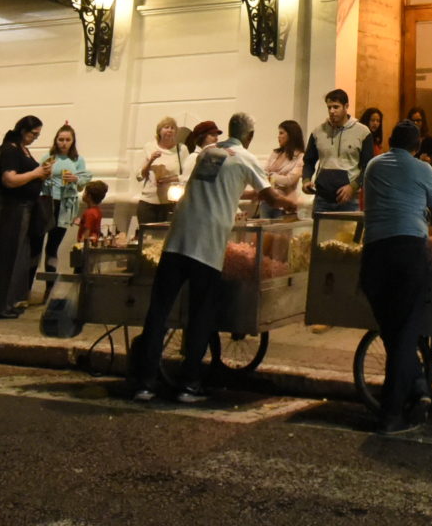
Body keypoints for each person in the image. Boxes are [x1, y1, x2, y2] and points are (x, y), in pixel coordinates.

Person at [128, 113, 290, 403]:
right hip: (207, 245)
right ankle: (189, 385)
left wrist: (244, 194)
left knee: (158, 312)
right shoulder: (245, 157)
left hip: (177, 239)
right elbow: (272, 197)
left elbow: (215, 186)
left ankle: (145, 384)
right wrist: (295, 203)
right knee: (201, 313)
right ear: (249, 136)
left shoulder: (207, 153)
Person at [360, 121, 432, 434]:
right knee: (404, 333)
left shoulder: (373, 165)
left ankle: (420, 389)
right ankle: (391, 414)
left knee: (393, 331)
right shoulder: (423, 169)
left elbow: (366, 203)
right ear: (417, 146)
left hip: (372, 255)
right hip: (407, 253)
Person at [0, 116, 51, 320]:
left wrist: (40, 174)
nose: (35, 138)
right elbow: (9, 179)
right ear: (24, 129)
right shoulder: (10, 149)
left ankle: (10, 301)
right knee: (6, 256)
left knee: (18, 257)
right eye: (33, 133)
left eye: (38, 135)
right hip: (11, 209)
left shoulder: (21, 149)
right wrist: (36, 173)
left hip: (24, 208)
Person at [304, 89, 375, 216]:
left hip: (348, 198)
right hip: (323, 198)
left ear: (346, 106)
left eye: (336, 107)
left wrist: (352, 187)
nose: (332, 111)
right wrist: (306, 180)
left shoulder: (362, 132)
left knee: (347, 235)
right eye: (329, 107)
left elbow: (368, 167)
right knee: (321, 235)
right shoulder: (318, 132)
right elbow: (308, 161)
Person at [39, 123, 90, 282]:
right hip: (47, 202)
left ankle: (50, 283)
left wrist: (76, 179)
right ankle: (26, 283)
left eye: (68, 140)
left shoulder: (78, 160)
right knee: (36, 244)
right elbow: (38, 177)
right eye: (61, 139)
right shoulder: (48, 156)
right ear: (56, 140)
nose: (64, 143)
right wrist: (45, 175)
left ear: (72, 141)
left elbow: (82, 185)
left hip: (64, 206)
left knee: (53, 246)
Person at [136, 118, 187, 226]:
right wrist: (151, 160)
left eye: (172, 128)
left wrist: (169, 179)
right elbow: (139, 175)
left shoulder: (181, 149)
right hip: (149, 201)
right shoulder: (149, 147)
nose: (169, 130)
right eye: (166, 127)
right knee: (147, 238)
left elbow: (187, 176)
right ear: (159, 131)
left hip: (171, 203)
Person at [265, 120, 306, 210]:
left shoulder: (300, 157)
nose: (278, 136)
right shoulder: (275, 153)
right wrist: (276, 177)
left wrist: (272, 176)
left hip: (286, 201)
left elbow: (289, 180)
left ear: (291, 135)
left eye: (281, 133)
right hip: (269, 198)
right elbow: (264, 172)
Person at [78, 181, 110, 246]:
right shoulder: (96, 211)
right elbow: (92, 226)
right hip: (93, 243)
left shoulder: (89, 213)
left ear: (89, 196)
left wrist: (81, 245)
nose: (83, 194)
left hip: (88, 245)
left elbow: (87, 230)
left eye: (85, 192)